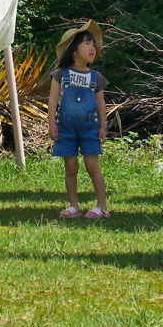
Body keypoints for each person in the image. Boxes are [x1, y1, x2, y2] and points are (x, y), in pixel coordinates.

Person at [48, 19, 110, 219]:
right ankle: (73, 206)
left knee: (92, 166)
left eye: (93, 44)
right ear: (74, 50)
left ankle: (102, 206)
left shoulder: (95, 77)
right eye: (87, 43)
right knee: (71, 166)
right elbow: (53, 100)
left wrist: (103, 125)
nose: (92, 48)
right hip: (65, 127)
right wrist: (51, 124)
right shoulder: (60, 74)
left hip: (89, 127)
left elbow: (101, 103)